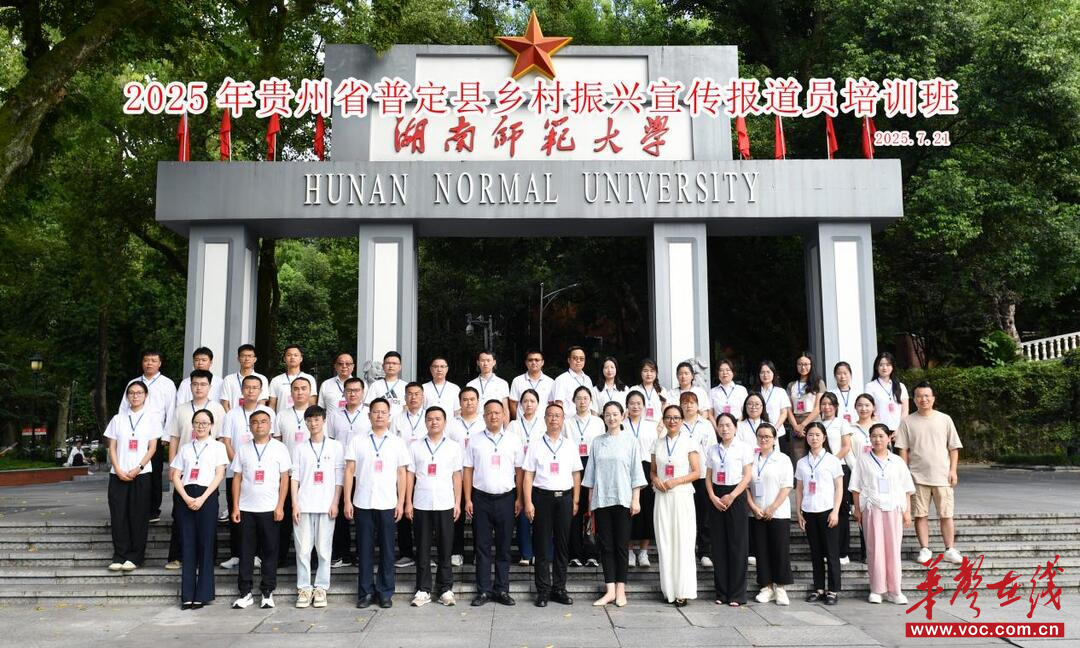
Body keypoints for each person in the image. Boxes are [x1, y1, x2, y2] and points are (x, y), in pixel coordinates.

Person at [343, 398, 409, 609]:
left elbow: (402, 473)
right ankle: (365, 592)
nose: (379, 415)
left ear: (389, 416)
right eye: (375, 412)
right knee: (364, 550)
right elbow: (349, 471)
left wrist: (401, 502)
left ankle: (385, 592)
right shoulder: (357, 441)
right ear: (369, 415)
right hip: (362, 502)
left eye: (383, 412)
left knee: (388, 550)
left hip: (388, 502)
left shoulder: (397, 442)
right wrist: (347, 500)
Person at [583, 401, 646, 607]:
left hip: (623, 499)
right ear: (603, 417)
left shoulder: (631, 441)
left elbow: (636, 473)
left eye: (615, 414)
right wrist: (590, 503)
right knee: (606, 546)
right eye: (607, 414)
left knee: (621, 546)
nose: (611, 418)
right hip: (602, 500)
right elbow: (590, 475)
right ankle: (609, 589)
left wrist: (636, 499)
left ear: (622, 415)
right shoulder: (597, 442)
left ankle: (621, 590)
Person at [893, 381, 963, 565]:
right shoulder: (907, 422)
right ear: (914, 399)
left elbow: (953, 448)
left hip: (942, 476)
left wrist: (953, 470)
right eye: (919, 396)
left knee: (946, 514)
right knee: (920, 514)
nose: (923, 399)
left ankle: (949, 549)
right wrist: (904, 474)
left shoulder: (945, 419)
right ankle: (924, 548)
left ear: (933, 398)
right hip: (917, 476)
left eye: (927, 396)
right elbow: (903, 450)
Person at [229, 409, 291, 610]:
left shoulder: (280, 448)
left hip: (270, 508)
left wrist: (280, 505)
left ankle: (267, 592)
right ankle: (245, 592)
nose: (259, 425)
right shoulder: (243, 449)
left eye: (263, 421)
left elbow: (284, 478)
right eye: (255, 422)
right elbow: (237, 478)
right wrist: (235, 506)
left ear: (270, 425)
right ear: (250, 426)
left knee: (270, 551)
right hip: (246, 508)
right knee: (245, 552)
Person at [165, 370, 226, 569]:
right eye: (195, 384)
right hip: (184, 467)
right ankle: (177, 556)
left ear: (210, 387)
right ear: (190, 386)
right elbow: (174, 437)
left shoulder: (217, 409)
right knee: (180, 515)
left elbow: (221, 438)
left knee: (208, 517)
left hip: (208, 472)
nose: (199, 387)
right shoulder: (181, 409)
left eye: (203, 384)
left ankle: (207, 558)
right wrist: (172, 464)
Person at [523, 402, 581, 607]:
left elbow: (576, 474)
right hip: (542, 498)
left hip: (564, 499)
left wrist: (575, 500)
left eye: (558, 415)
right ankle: (543, 590)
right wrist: (528, 502)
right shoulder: (535, 445)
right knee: (541, 545)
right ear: (545, 419)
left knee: (562, 545)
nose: (554, 418)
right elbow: (528, 475)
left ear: (563, 419)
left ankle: (559, 588)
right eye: (550, 415)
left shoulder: (570, 445)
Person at [169, 408, 228, 609]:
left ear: (211, 425)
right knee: (187, 544)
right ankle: (187, 595)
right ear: (192, 425)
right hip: (186, 496)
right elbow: (176, 475)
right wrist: (186, 497)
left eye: (204, 423)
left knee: (205, 544)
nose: (201, 426)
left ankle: (202, 594)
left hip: (207, 497)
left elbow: (219, 475)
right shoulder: (185, 448)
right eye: (197, 423)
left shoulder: (218, 447)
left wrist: (202, 498)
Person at [405, 406, 463, 607]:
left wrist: (457, 502)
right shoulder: (416, 446)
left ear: (445, 422)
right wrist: (408, 502)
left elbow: (457, 475)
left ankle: (445, 588)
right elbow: (410, 475)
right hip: (421, 503)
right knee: (422, 549)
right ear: (425, 422)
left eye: (438, 418)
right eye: (430, 419)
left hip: (445, 503)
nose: (434, 422)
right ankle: (423, 589)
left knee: (445, 548)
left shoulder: (453, 447)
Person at [851, 423, 915, 605]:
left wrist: (907, 511)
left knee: (893, 549)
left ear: (889, 438)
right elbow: (855, 488)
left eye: (881, 436)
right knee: (875, 549)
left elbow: (906, 488)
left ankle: (895, 590)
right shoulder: (863, 460)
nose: (877, 439)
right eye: (874, 436)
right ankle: (877, 589)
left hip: (894, 508)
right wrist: (858, 510)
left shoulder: (897, 461)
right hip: (872, 508)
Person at [290, 405, 345, 609]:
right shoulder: (299, 448)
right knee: (303, 550)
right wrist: (294, 504)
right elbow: (295, 477)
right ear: (305, 422)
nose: (313, 423)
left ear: (323, 420)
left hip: (326, 505)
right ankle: (304, 588)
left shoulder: (336, 446)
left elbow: (339, 477)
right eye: (309, 420)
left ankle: (321, 587)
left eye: (316, 419)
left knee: (323, 549)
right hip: (304, 504)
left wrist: (335, 502)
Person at [105, 381, 162, 572]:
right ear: (127, 396)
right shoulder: (118, 419)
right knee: (118, 515)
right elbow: (112, 447)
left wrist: (139, 467)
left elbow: (152, 448)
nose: (135, 396)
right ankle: (119, 555)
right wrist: (117, 468)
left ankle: (135, 556)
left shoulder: (152, 419)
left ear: (146, 396)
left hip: (141, 474)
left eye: (139, 393)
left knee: (138, 516)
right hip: (118, 474)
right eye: (131, 393)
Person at [218, 376, 273, 569]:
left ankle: (256, 554)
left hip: (261, 474)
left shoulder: (268, 413)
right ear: (241, 390)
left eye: (255, 388)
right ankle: (236, 554)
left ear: (261, 391)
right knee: (236, 512)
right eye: (247, 387)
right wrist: (239, 464)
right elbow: (226, 441)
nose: (251, 391)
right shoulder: (231, 414)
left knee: (257, 515)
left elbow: (271, 439)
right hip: (236, 473)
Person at [650, 404, 699, 607]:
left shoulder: (689, 441)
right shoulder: (657, 443)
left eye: (676, 418)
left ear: (682, 420)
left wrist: (676, 481)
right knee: (665, 543)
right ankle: (669, 590)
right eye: (668, 417)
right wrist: (656, 480)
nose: (672, 421)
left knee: (683, 542)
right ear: (663, 420)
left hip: (682, 496)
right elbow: (653, 471)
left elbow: (697, 472)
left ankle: (683, 591)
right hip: (662, 497)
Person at [119, 351, 176, 522]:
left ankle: (153, 509)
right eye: (146, 360)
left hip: (155, 435)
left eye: (153, 360)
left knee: (154, 472)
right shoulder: (134, 383)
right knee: (132, 467)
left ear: (160, 363)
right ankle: (133, 506)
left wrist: (166, 435)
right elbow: (123, 408)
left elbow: (171, 411)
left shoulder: (167, 384)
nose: (149, 363)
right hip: (133, 434)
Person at [705, 412, 753, 606]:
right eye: (721, 425)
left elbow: (747, 476)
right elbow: (708, 476)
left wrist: (732, 496)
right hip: (716, 495)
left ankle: (737, 594)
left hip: (736, 495)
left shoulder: (743, 448)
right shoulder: (712, 449)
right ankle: (721, 592)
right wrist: (712, 496)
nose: (724, 429)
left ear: (735, 427)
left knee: (737, 544)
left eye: (728, 425)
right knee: (719, 545)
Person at [795, 422, 844, 605]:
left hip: (828, 511)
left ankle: (833, 590)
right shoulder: (802, 462)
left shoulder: (832, 460)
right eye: (810, 435)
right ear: (806, 438)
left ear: (824, 437)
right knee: (815, 553)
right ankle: (819, 588)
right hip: (809, 510)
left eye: (817, 435)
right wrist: (799, 511)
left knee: (831, 553)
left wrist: (836, 511)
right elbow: (799, 489)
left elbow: (839, 488)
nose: (814, 438)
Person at [747, 423, 793, 606]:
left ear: (774, 439)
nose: (764, 439)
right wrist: (753, 508)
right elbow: (745, 486)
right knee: (761, 550)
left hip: (778, 512)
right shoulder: (751, 460)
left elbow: (786, 486)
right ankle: (766, 587)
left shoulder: (783, 459)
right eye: (760, 436)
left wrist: (772, 507)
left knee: (779, 550)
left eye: (767, 436)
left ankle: (780, 587)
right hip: (756, 513)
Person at [327, 377, 370, 568]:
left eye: (356, 390)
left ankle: (362, 553)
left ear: (363, 392)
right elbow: (329, 441)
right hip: (339, 471)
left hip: (363, 472)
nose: (353, 394)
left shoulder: (369, 414)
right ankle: (341, 554)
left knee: (362, 515)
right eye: (349, 390)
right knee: (340, 516)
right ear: (343, 393)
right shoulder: (334, 415)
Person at [274, 376, 315, 568]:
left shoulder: (317, 415)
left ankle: (312, 559)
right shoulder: (282, 415)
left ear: (310, 391)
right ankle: (280, 557)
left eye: (303, 388)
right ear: (290, 393)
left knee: (309, 518)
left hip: (310, 476)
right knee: (284, 518)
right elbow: (277, 444)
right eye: (296, 389)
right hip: (287, 474)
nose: (299, 392)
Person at [390, 381, 426, 569]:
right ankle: (406, 553)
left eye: (417, 394)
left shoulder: (430, 416)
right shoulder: (397, 419)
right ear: (404, 397)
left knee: (423, 514)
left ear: (423, 397)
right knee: (404, 509)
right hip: (402, 471)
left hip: (425, 471)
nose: (413, 397)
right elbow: (390, 443)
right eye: (409, 394)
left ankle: (425, 553)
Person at [566, 385, 603, 567]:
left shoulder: (598, 422)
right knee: (574, 509)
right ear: (573, 401)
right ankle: (574, 554)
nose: (582, 401)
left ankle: (592, 554)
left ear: (591, 401)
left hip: (593, 464)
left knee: (591, 510)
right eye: (578, 398)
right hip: (572, 465)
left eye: (585, 398)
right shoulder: (567, 422)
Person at [447, 386, 483, 566]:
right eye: (465, 399)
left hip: (479, 477)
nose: (469, 402)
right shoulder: (451, 423)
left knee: (479, 518)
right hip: (456, 476)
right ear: (460, 402)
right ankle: (456, 552)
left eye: (472, 399)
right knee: (457, 516)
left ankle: (479, 553)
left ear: (478, 401)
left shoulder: (484, 422)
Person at [679, 391, 715, 568]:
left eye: (692, 402)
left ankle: (704, 551)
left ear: (698, 405)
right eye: (685, 403)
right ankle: (686, 550)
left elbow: (712, 451)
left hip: (702, 476)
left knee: (704, 515)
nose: (688, 406)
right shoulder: (676, 423)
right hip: (682, 476)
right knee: (684, 516)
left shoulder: (706, 425)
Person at [624, 391, 655, 568]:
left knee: (646, 510)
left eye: (638, 403)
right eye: (632, 403)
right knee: (628, 510)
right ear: (627, 406)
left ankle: (643, 552)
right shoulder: (621, 425)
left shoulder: (651, 426)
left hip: (647, 467)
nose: (635, 406)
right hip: (626, 469)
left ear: (644, 406)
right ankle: (629, 551)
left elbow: (655, 450)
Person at [512, 389, 542, 566]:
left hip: (539, 474)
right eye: (525, 401)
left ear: (538, 404)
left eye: (532, 401)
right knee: (522, 511)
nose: (529, 404)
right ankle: (526, 553)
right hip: (519, 472)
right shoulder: (514, 425)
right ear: (520, 404)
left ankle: (539, 551)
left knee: (540, 515)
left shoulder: (543, 423)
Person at [786, 352, 827, 461]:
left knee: (816, 454)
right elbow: (788, 409)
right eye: (800, 364)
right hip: (796, 423)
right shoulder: (791, 385)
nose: (803, 367)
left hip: (813, 421)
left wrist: (803, 425)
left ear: (811, 365)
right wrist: (796, 426)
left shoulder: (819, 383)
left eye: (806, 364)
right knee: (797, 458)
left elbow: (818, 407)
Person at [865, 351, 909, 432]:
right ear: (876, 367)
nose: (884, 368)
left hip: (899, 431)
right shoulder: (870, 386)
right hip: (879, 432)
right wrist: (880, 430)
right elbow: (870, 410)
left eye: (888, 365)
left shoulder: (901, 386)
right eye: (881, 365)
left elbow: (905, 411)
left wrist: (899, 430)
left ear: (893, 367)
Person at [755, 361, 791, 457]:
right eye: (762, 372)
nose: (765, 375)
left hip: (778, 432)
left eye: (768, 372)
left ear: (773, 373)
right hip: (760, 433)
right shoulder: (755, 392)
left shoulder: (780, 391)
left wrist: (774, 428)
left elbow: (784, 413)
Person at [220, 344, 269, 412]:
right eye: (243, 356)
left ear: (255, 359)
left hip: (254, 417)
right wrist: (231, 416)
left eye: (250, 356)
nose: (247, 359)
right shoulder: (228, 379)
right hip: (234, 416)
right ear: (238, 359)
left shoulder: (262, 379)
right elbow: (225, 404)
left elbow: (262, 402)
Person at [467, 350, 511, 425]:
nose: (485, 363)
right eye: (482, 360)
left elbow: (505, 409)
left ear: (494, 362)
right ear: (478, 362)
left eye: (488, 360)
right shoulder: (471, 384)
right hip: (475, 424)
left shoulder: (502, 383)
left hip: (496, 423)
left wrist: (506, 429)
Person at [509, 350, 554, 420]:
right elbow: (513, 403)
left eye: (537, 360)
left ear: (542, 362)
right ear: (526, 362)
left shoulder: (550, 382)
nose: (533, 362)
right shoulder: (517, 381)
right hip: (522, 423)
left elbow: (551, 404)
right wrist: (518, 420)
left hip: (543, 423)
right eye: (530, 360)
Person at [550, 346, 594, 415]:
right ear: (569, 360)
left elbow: (591, 402)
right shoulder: (561, 379)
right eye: (575, 358)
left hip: (586, 419)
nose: (578, 361)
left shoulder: (587, 379)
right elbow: (558, 404)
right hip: (568, 420)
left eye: (581, 359)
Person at [365, 351, 406, 417]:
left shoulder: (405, 386)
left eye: (394, 363)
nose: (391, 366)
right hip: (379, 421)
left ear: (400, 367)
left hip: (399, 422)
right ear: (383, 366)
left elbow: (407, 407)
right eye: (388, 363)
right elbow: (368, 406)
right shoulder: (375, 385)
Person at [317, 352, 356, 418]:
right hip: (330, 423)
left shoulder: (361, 385)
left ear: (353, 366)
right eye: (340, 364)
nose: (344, 366)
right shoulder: (326, 384)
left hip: (354, 423)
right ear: (335, 366)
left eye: (348, 364)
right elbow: (321, 408)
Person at [629, 358, 666, 424]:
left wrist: (661, 426)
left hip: (658, 426)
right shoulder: (634, 389)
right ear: (640, 372)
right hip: (639, 426)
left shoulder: (662, 390)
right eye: (645, 371)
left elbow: (666, 411)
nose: (649, 374)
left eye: (652, 371)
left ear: (656, 373)